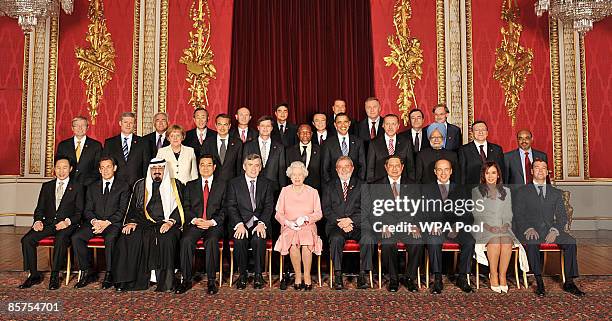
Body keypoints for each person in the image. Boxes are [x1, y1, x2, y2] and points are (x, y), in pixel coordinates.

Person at [513, 159, 585, 297]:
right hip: (530, 229)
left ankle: (569, 282)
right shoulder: (522, 191)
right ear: (532, 171)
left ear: (547, 172)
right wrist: (528, 228)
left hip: (550, 230)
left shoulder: (556, 193)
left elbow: (562, 217)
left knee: (570, 242)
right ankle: (539, 282)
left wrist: (555, 230)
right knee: (532, 241)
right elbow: (518, 215)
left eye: (543, 168)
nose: (540, 170)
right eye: (537, 168)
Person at [112, 159, 185, 292]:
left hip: (167, 223)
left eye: (160, 168)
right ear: (150, 170)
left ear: (165, 170)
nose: (157, 171)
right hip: (144, 222)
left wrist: (170, 222)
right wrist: (132, 222)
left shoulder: (176, 184)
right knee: (128, 237)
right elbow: (133, 207)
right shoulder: (141, 185)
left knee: (166, 239)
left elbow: (182, 208)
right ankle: (128, 282)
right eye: (154, 169)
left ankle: (165, 283)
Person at [19, 157, 84, 290]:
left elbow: (79, 213)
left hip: (67, 225)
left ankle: (55, 275)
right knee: (27, 240)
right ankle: (34, 275)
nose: (61, 171)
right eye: (58, 167)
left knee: (60, 239)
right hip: (48, 224)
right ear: (54, 169)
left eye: (65, 167)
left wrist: (67, 222)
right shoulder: (47, 186)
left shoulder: (78, 187)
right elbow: (39, 209)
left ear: (70, 169)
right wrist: (37, 221)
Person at [72, 156, 130, 289]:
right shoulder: (92, 187)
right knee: (77, 237)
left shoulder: (123, 186)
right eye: (102, 168)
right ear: (99, 170)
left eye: (108, 167)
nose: (105, 170)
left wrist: (107, 222)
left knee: (110, 238)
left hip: (113, 223)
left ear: (114, 168)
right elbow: (87, 210)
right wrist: (95, 222)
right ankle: (87, 271)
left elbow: (123, 210)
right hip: (95, 223)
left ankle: (110, 273)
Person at [472, 161, 528, 293]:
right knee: (495, 241)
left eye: (493, 172)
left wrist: (505, 225)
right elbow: (477, 214)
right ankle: (494, 274)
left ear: (498, 175)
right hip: (483, 227)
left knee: (507, 242)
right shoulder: (476, 191)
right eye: (487, 173)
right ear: (483, 175)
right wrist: (490, 228)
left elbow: (508, 213)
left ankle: (503, 275)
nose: (490, 176)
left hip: (503, 226)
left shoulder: (506, 192)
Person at [421, 159, 475, 294]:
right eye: (440, 169)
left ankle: (462, 277)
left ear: (451, 171)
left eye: (446, 169)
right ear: (435, 172)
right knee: (433, 240)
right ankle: (437, 278)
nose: (443, 173)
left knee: (469, 240)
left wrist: (457, 225)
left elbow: (468, 214)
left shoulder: (461, 189)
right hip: (435, 227)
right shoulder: (426, 189)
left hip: (456, 227)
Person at [175, 155, 227, 295]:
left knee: (211, 241)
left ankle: (211, 281)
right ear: (198, 167)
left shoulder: (222, 185)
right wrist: (195, 220)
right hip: (195, 223)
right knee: (185, 240)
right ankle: (186, 280)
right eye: (202, 164)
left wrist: (211, 222)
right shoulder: (190, 185)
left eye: (209, 165)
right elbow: (185, 207)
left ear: (214, 167)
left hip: (213, 224)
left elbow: (225, 208)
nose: (205, 167)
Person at [372, 155, 423, 292]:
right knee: (388, 243)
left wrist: (415, 225)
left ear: (402, 167)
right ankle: (393, 279)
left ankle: (409, 278)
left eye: (397, 166)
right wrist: (382, 225)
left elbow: (419, 208)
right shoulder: (376, 185)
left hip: (408, 225)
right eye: (391, 166)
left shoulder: (413, 184)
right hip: (387, 225)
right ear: (386, 167)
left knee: (418, 242)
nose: (394, 169)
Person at [226, 154, 275, 290]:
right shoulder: (234, 183)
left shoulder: (267, 183)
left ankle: (258, 275)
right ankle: (242, 274)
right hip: (241, 223)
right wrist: (239, 224)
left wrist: (262, 223)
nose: (253, 168)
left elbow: (269, 206)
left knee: (259, 239)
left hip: (259, 223)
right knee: (240, 239)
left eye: (257, 165)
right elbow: (231, 206)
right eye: (250, 165)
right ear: (244, 166)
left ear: (261, 167)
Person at [322, 156, 372, 290]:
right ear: (336, 169)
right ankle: (338, 275)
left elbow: (367, 209)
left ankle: (363, 275)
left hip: (357, 224)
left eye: (347, 166)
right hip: (336, 225)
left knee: (368, 238)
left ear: (353, 168)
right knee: (336, 239)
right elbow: (326, 209)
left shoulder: (362, 185)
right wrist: (341, 222)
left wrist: (350, 220)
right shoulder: (329, 185)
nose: (344, 170)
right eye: (340, 167)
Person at [274, 161, 323, 291]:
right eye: (294, 175)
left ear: (304, 175)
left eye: (299, 174)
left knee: (306, 242)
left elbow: (319, 213)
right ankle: (297, 276)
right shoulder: (285, 191)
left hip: (307, 225)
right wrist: (288, 222)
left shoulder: (313, 192)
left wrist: (307, 218)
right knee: (293, 242)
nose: (297, 177)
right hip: (290, 225)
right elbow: (278, 213)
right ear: (290, 176)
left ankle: (306, 276)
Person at [102, 112, 150, 187]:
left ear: (134, 125)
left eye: (131, 123)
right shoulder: (110, 143)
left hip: (136, 185)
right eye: (125, 122)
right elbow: (105, 164)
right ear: (120, 123)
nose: (128, 125)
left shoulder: (143, 142)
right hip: (115, 186)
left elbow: (146, 166)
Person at [366, 114, 416, 183]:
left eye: (393, 124)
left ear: (398, 126)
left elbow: (410, 167)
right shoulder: (374, 143)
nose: (390, 127)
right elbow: (370, 168)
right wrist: (371, 186)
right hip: (380, 184)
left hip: (402, 184)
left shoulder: (406, 142)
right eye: (387, 124)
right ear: (383, 125)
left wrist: (411, 185)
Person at [56, 116, 103, 187]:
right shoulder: (63, 145)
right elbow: (59, 165)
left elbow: (98, 167)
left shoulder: (96, 146)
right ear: (72, 128)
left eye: (83, 125)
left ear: (87, 128)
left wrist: (85, 183)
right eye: (77, 125)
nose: (80, 128)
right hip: (68, 186)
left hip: (89, 186)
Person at [243, 115, 287, 192]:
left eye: (268, 126)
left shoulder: (279, 147)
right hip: (253, 188)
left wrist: (283, 190)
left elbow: (282, 171)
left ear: (272, 128)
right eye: (262, 126)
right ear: (258, 127)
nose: (265, 128)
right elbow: (244, 168)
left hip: (273, 189)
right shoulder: (248, 145)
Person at [321, 113, 366, 182]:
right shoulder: (328, 143)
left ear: (349, 123)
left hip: (355, 185)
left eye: (345, 122)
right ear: (335, 125)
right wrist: (330, 185)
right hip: (334, 185)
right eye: (339, 122)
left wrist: (359, 183)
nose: (343, 125)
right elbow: (325, 168)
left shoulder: (358, 141)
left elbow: (362, 165)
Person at [458, 121, 505, 185]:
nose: (480, 132)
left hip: (494, 190)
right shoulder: (464, 150)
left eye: (483, 130)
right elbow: (462, 174)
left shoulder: (497, 149)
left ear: (487, 132)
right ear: (472, 133)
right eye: (477, 130)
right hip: (472, 190)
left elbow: (501, 172)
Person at [203, 114, 243, 179]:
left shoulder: (238, 143)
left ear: (229, 126)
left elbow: (239, 166)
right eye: (219, 124)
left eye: (225, 124)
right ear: (215, 125)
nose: (222, 128)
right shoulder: (208, 142)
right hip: (213, 182)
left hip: (231, 182)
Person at [286, 124, 321, 191]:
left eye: (307, 132)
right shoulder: (289, 151)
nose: (305, 135)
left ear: (311, 134)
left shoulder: (320, 150)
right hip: (295, 189)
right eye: (302, 132)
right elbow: (288, 173)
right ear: (298, 134)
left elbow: (322, 172)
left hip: (314, 189)